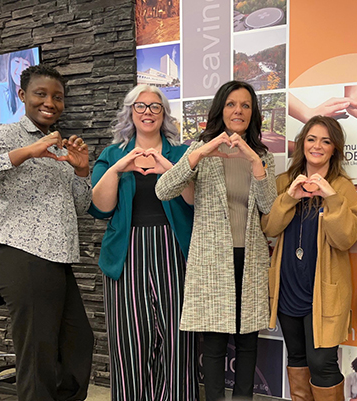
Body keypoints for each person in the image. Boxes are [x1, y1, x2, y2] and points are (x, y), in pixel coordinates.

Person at [156, 80, 277, 401]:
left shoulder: (262, 156)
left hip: (250, 258)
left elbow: (270, 208)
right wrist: (199, 153)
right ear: (220, 110)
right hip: (211, 260)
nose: (238, 110)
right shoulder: (200, 150)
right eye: (231, 104)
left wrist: (256, 164)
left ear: (253, 114)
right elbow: (163, 189)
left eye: (245, 105)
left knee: (248, 339)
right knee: (214, 340)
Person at [88, 84, 196, 401]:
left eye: (155, 106)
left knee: (178, 340)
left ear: (163, 114)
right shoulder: (112, 154)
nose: (147, 112)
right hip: (127, 252)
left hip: (172, 249)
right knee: (129, 340)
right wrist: (122, 167)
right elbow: (101, 208)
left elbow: (192, 200)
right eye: (140, 106)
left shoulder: (181, 153)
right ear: (130, 112)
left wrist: (165, 166)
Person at [0, 64, 93, 400]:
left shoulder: (63, 147)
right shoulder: (7, 134)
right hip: (21, 251)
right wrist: (28, 152)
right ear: (22, 96)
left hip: (58, 257)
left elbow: (79, 207)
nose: (50, 102)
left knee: (78, 343)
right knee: (38, 354)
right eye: (41, 94)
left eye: (57, 97)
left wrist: (81, 172)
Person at [261, 115, 357, 401]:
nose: (317, 146)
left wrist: (330, 197)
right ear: (302, 143)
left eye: (326, 141)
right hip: (287, 288)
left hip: (324, 293)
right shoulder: (283, 182)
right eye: (311, 139)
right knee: (297, 358)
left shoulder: (342, 187)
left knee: (322, 363)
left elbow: (345, 239)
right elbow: (269, 227)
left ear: (334, 149)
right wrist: (290, 197)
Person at [0, 49, 36, 126]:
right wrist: (17, 117)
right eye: (17, 61)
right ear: (9, 63)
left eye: (26, 64)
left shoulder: (34, 96)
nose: (20, 69)